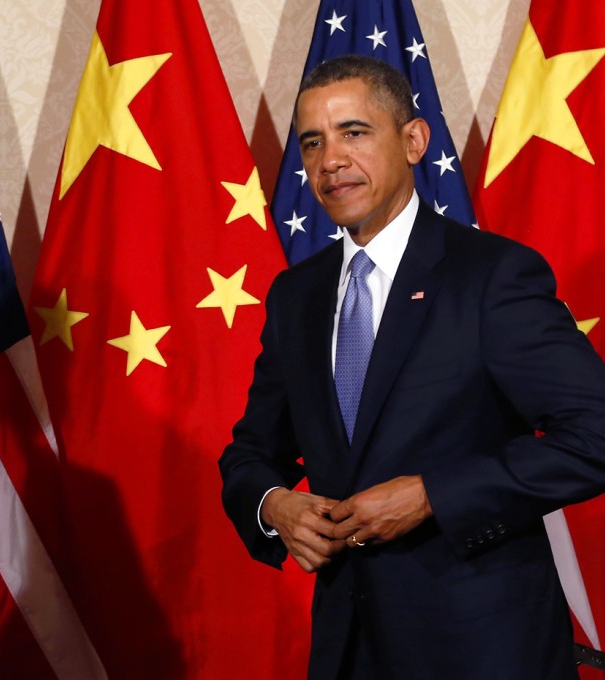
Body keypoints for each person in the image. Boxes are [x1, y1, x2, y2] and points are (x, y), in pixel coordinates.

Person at [219, 55, 605, 680]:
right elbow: (250, 452)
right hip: (349, 648)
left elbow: (596, 436)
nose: (330, 160)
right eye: (313, 142)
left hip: (484, 648)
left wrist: (434, 496)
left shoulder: (491, 275)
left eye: (354, 132)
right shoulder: (297, 295)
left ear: (414, 140)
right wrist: (273, 505)